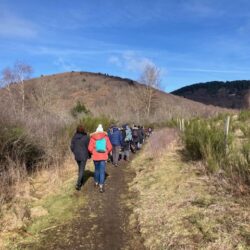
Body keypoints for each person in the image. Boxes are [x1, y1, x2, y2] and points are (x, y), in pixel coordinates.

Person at [88, 124, 112, 193]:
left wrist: (93, 152)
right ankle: (101, 186)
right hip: (103, 156)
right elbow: (110, 147)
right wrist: (106, 152)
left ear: (96, 130)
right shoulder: (106, 137)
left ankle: (96, 182)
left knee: (96, 170)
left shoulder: (92, 138)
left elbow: (89, 148)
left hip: (95, 156)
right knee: (102, 171)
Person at [70, 125, 90, 191]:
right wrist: (89, 155)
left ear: (77, 130)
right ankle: (78, 184)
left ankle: (81, 180)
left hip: (77, 155)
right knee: (81, 169)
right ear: (83, 130)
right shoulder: (86, 137)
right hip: (83, 156)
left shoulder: (74, 137)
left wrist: (75, 152)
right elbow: (89, 147)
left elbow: (71, 147)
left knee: (80, 168)